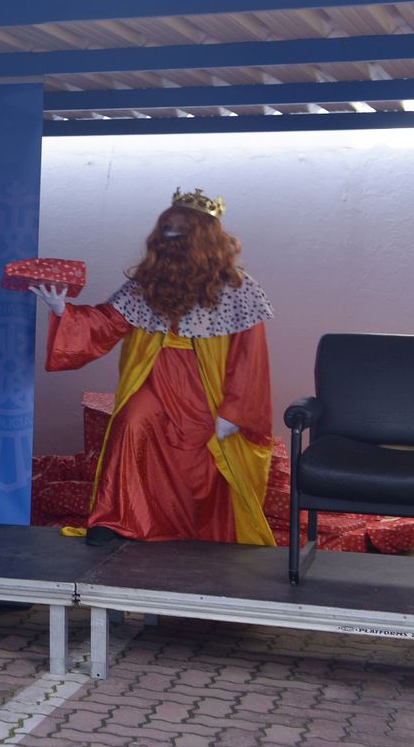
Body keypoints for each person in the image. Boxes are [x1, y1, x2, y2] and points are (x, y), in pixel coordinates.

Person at [32, 188, 275, 548]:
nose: (170, 238)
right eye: (167, 229)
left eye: (180, 231)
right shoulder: (147, 285)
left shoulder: (238, 289)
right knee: (132, 422)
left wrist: (235, 410)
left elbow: (249, 356)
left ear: (203, 239)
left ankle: (201, 531)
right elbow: (107, 322)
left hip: (206, 388)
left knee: (209, 458)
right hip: (157, 381)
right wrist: (62, 311)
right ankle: (117, 519)